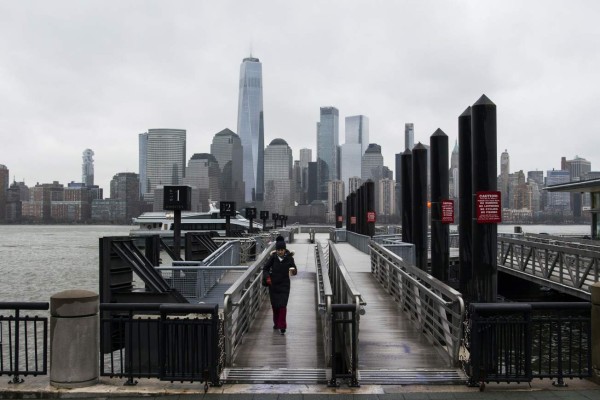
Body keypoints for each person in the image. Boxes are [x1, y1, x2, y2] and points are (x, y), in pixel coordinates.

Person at [262, 235, 297, 335]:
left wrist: (293, 270)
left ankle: (282, 326)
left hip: (285, 285)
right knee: (275, 306)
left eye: (282, 250)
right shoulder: (273, 258)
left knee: (282, 305)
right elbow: (265, 269)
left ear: (285, 249)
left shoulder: (290, 259)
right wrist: (267, 277)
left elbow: (295, 270)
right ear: (276, 250)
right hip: (273, 285)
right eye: (278, 250)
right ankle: (276, 323)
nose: (280, 251)